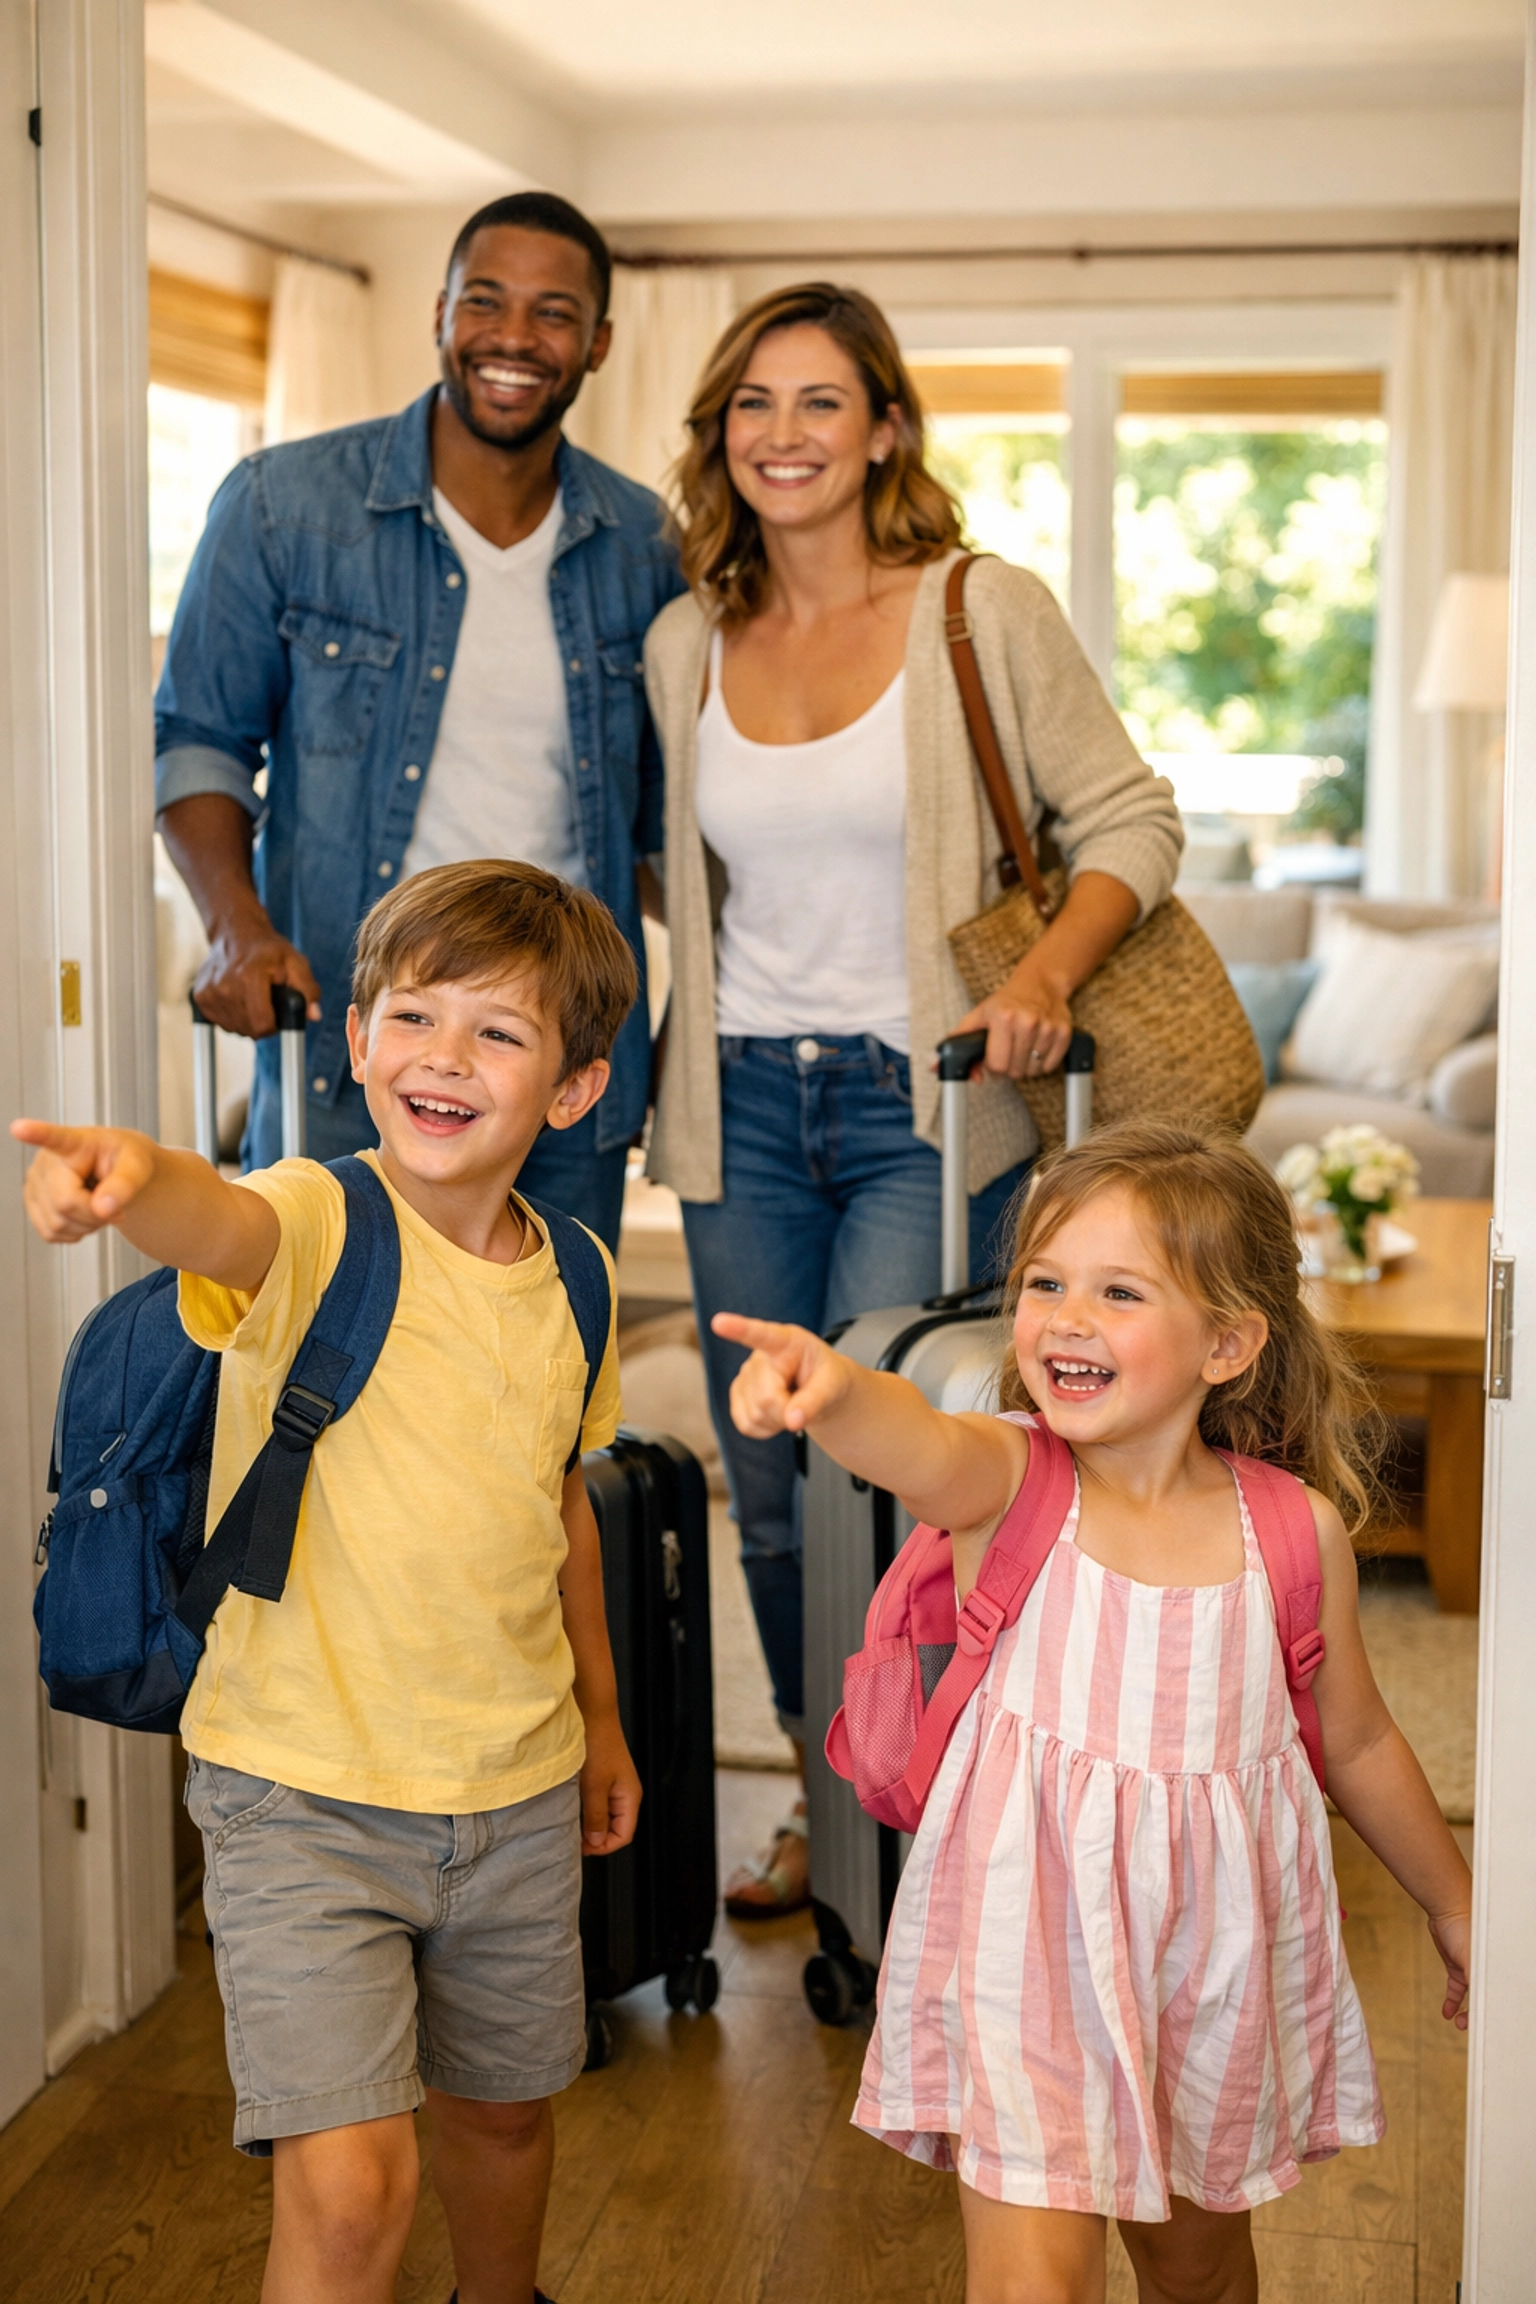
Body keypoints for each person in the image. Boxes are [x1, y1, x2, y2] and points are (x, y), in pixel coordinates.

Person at [14, 861, 643, 2304]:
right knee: (354, 2183)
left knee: (504, 2113)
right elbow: (211, 1221)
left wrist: (601, 1726)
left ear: (572, 1090)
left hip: (516, 1792)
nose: (442, 1056)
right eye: (413, 1016)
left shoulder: (583, 1280)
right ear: (356, 1042)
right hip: (296, 1788)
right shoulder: (311, 1220)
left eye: (498, 1032)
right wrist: (134, 1174)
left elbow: (564, 1508)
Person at [716, 1122, 1473, 2304]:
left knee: (1202, 2271)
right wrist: (834, 1390)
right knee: (1033, 2286)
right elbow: (912, 1439)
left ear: (1227, 1341)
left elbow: (1358, 1736)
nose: (1066, 1316)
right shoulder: (1009, 1481)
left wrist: (1456, 1901)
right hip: (1027, 1955)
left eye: (1118, 1292)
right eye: (1045, 1284)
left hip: (1209, 1971)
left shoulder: (1288, 1531)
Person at [643, 283, 1183, 1913]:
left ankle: (941, 1805)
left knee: (894, 1462)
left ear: (884, 426)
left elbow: (1133, 822)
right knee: (765, 1466)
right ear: (720, 435)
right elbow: (689, 879)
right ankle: (831, 1797)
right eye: (752, 404)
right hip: (738, 1108)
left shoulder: (976, 606)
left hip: (923, 1109)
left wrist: (1039, 979)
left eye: (819, 402)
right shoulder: (688, 639)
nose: (782, 436)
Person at [155, 189, 684, 1248]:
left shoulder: (641, 541)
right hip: (354, 1038)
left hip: (560, 1055)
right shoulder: (283, 505)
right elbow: (197, 743)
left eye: (553, 313)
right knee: (324, 1364)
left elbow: (663, 820)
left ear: (599, 343)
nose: (514, 338)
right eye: (486, 302)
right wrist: (234, 927)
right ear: (440, 312)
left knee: (544, 1378)